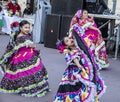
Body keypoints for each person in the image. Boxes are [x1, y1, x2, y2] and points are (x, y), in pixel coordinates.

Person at [0, 20, 50, 97]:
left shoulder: (19, 35)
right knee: (29, 72)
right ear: (20, 28)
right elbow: (31, 45)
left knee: (30, 72)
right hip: (23, 56)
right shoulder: (21, 37)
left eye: (28, 28)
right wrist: (32, 46)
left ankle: (32, 87)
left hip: (27, 54)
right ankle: (30, 88)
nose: (27, 29)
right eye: (25, 27)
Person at [54, 37, 106, 102]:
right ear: (66, 46)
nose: (70, 40)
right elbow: (74, 58)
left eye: (69, 39)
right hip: (75, 72)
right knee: (79, 85)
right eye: (67, 41)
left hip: (83, 68)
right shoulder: (69, 52)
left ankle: (90, 98)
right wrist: (78, 65)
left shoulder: (78, 47)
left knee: (87, 83)